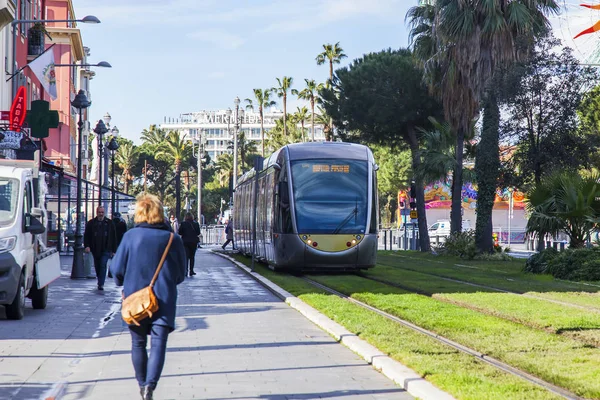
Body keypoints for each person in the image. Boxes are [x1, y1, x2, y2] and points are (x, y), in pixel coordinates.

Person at [110, 194, 186, 400]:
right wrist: (167, 283)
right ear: (160, 213)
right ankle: (150, 386)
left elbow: (116, 269)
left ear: (139, 214)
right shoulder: (173, 239)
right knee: (159, 343)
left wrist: (124, 283)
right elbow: (181, 273)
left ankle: (142, 384)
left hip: (135, 299)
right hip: (164, 298)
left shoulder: (130, 237)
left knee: (138, 343)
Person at [84, 206, 116, 291]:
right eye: (99, 212)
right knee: (97, 265)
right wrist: (87, 246)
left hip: (106, 248)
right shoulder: (91, 223)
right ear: (96, 212)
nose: (101, 214)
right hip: (95, 248)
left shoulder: (109, 223)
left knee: (103, 264)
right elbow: (86, 235)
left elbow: (113, 237)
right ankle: (100, 279)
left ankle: (101, 283)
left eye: (102, 212)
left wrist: (114, 250)